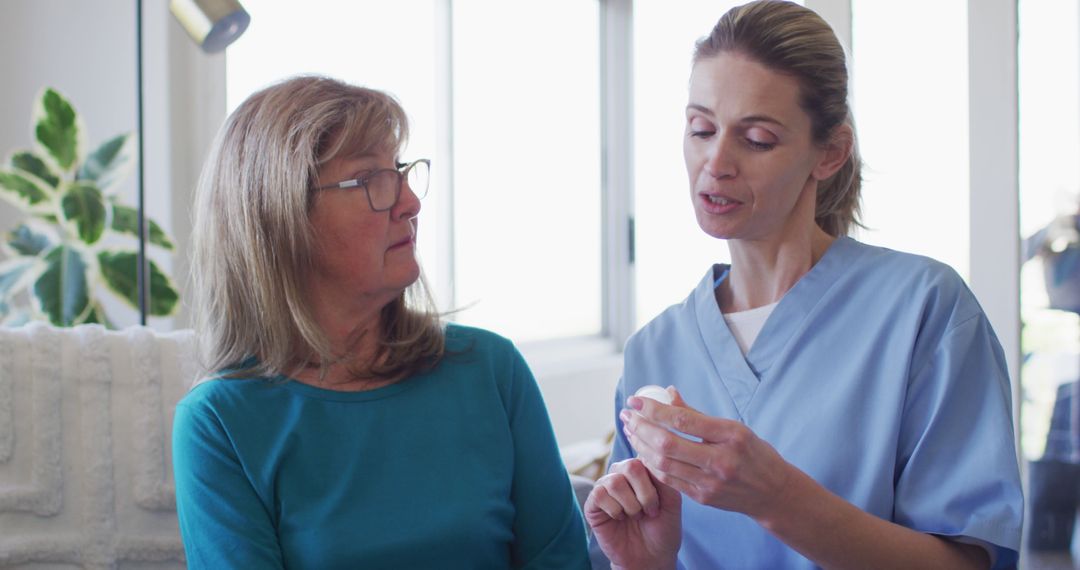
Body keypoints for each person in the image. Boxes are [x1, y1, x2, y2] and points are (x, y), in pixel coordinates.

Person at [584, 2, 1024, 569]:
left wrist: (778, 497)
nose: (715, 163)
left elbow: (971, 563)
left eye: (758, 138)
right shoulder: (655, 349)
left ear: (830, 152)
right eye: (701, 129)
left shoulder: (923, 311)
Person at [173, 75, 589, 569]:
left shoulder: (492, 370)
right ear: (281, 216)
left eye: (401, 170)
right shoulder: (218, 424)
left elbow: (559, 561)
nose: (410, 203)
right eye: (372, 179)